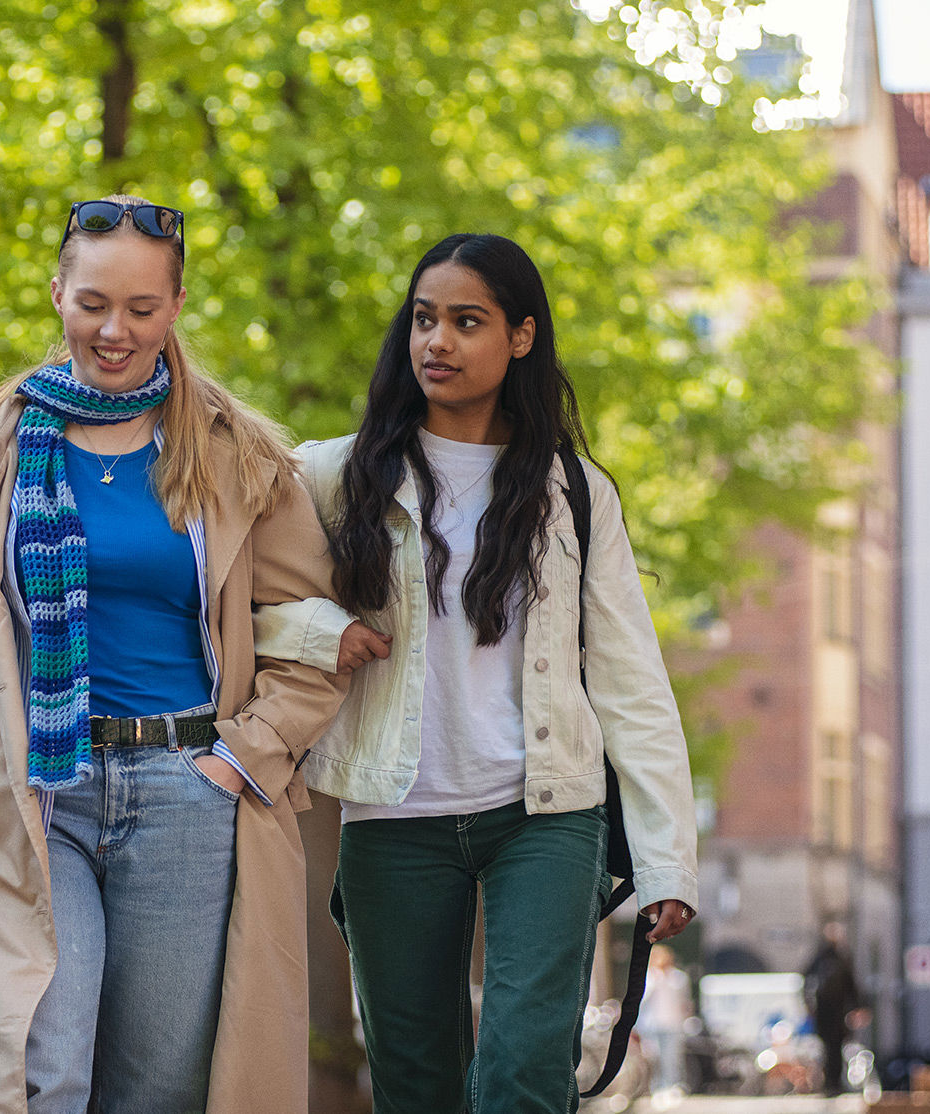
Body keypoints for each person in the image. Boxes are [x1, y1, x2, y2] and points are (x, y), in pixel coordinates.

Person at [0, 195, 349, 1114]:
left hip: (188, 788)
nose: (115, 330)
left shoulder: (238, 455)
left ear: (175, 306)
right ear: (57, 293)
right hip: (36, 791)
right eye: (93, 303)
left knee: (156, 1087)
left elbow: (313, 636)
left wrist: (239, 758)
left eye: (141, 308)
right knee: (43, 1064)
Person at [252, 233, 700, 1112]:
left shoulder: (571, 490)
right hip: (393, 814)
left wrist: (665, 859)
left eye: (466, 322)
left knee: (523, 1072)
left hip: (543, 813)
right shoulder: (333, 475)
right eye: (424, 320)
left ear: (520, 337)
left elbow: (627, 678)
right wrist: (318, 631)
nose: (437, 343)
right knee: (415, 1083)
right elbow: (227, 600)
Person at [802, 921, 864, 1096]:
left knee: (834, 1047)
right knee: (828, 1048)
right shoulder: (825, 959)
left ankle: (833, 1083)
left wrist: (857, 1007)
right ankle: (829, 1083)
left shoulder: (839, 958)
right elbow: (806, 980)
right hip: (827, 1011)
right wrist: (808, 1003)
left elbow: (851, 985)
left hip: (835, 1012)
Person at [640, 945, 693, 1096]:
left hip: (672, 1024)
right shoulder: (649, 977)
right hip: (652, 1025)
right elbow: (643, 999)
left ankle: (672, 1086)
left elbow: (684, 1001)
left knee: (671, 1058)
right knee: (654, 1057)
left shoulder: (678, 977)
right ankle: (657, 1087)